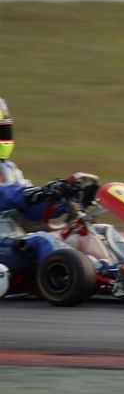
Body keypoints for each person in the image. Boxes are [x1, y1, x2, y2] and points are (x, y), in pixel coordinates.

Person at [0, 98, 80, 295]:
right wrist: (30, 194)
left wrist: (60, 200)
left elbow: (31, 209)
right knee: (42, 240)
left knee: (93, 232)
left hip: (15, 241)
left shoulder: (7, 168)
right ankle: (82, 275)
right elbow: (8, 196)